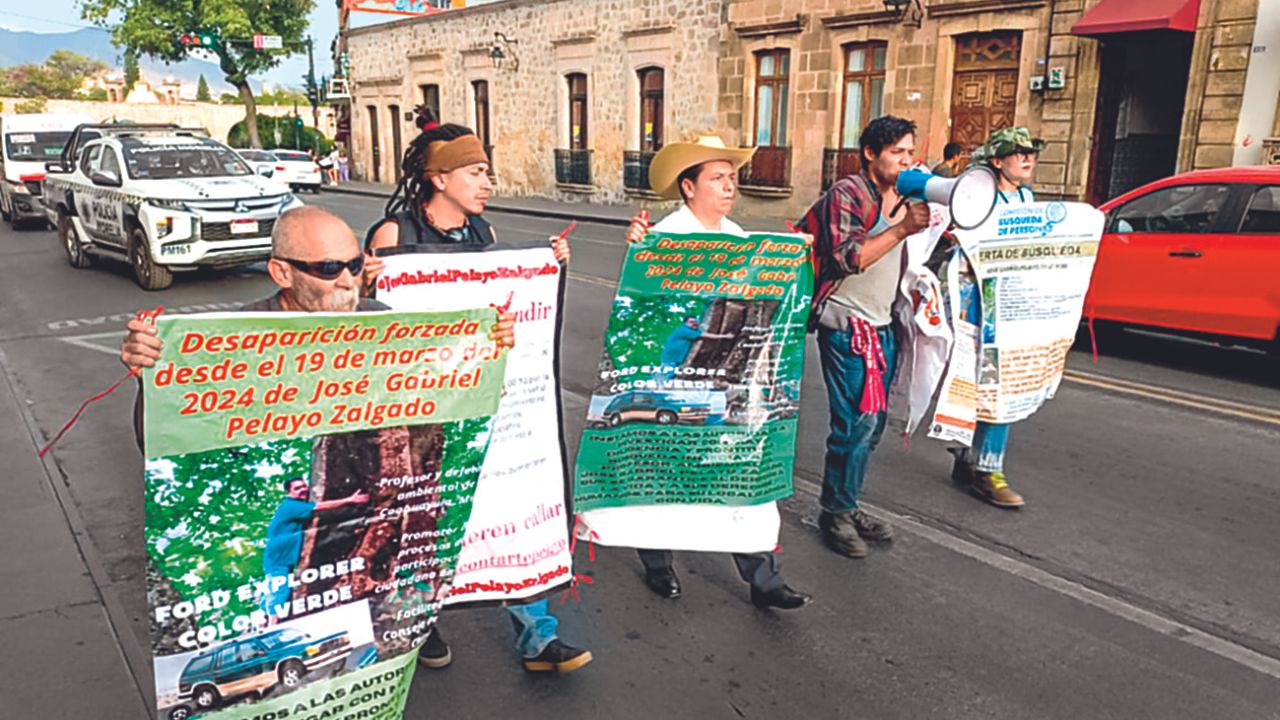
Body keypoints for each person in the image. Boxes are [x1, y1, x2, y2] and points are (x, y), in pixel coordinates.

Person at [120, 205, 517, 667]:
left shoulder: (382, 320)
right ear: (281, 273)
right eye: (328, 269)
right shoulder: (235, 337)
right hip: (314, 563)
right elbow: (162, 443)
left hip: (372, 535)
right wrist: (150, 378)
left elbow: (446, 405)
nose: (349, 281)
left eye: (354, 264)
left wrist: (486, 349)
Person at [363, 120, 590, 675]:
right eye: (475, 171)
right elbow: (368, 321)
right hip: (417, 405)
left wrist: (547, 267)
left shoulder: (482, 236)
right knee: (420, 513)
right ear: (439, 178)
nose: (487, 182)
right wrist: (367, 279)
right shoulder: (393, 233)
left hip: (479, 398)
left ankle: (538, 636)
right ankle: (419, 623)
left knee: (508, 502)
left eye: (486, 171)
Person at [623, 134, 811, 611]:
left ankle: (763, 578)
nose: (730, 186)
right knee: (668, 468)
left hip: (727, 374)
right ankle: (659, 562)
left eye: (732, 177)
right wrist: (638, 252)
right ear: (689, 187)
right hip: (679, 371)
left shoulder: (740, 241)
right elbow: (640, 305)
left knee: (736, 468)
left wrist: (793, 259)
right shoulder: (664, 237)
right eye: (719, 178)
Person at [796, 116, 930, 560]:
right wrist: (901, 229)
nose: (906, 160)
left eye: (910, 152)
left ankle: (847, 504)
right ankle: (834, 512)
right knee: (855, 424)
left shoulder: (907, 195)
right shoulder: (849, 193)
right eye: (897, 152)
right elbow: (847, 258)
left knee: (870, 428)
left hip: (883, 323)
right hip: (846, 324)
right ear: (871, 154)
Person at [945, 126, 1045, 509]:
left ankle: (973, 460)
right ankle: (987, 470)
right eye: (1018, 153)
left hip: (1014, 305)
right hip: (980, 305)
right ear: (998, 160)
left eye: (1031, 153)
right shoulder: (978, 197)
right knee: (988, 386)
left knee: (1001, 387)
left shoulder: (1026, 196)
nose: (1028, 159)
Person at [261, 477, 369, 621]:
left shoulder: (295, 507)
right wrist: (350, 500)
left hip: (282, 559)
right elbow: (319, 506)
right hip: (278, 559)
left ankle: (263, 622)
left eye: (304, 486)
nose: (303, 490)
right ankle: (271, 625)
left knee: (276, 589)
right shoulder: (290, 506)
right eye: (297, 488)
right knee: (280, 590)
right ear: (289, 492)